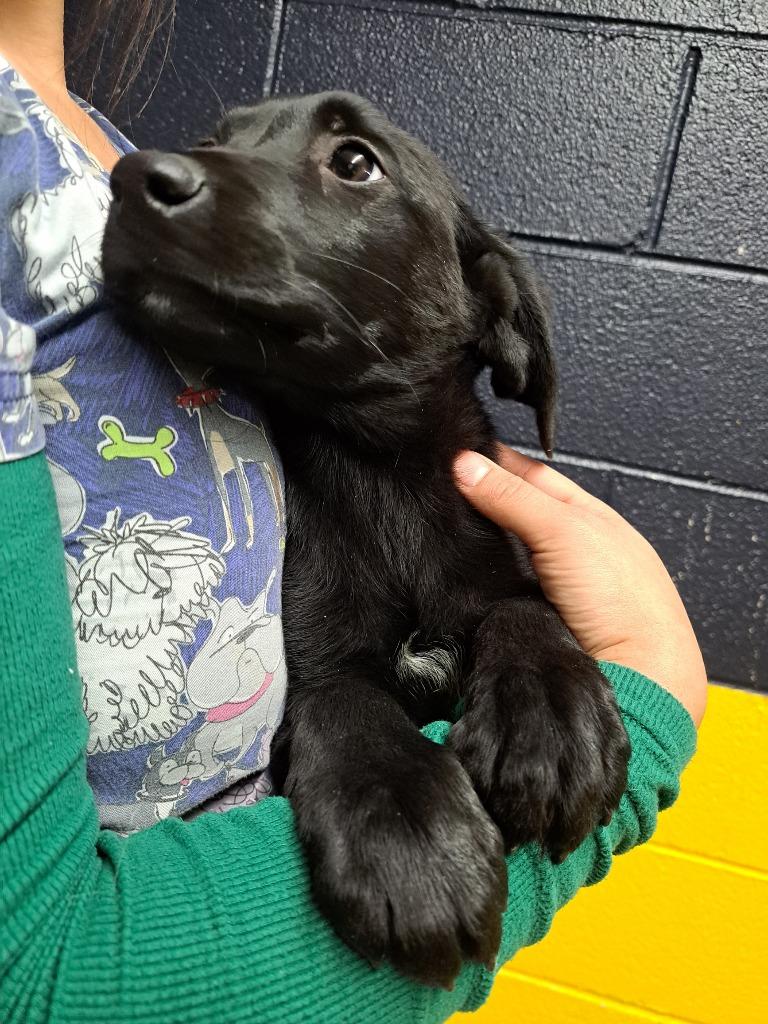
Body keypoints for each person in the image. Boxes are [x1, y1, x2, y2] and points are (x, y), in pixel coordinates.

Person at [0, 1, 707, 1021]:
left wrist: (527, 630)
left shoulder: (96, 147)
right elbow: (34, 973)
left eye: (351, 163)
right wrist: (648, 685)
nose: (159, 180)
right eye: (205, 154)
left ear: (483, 307)